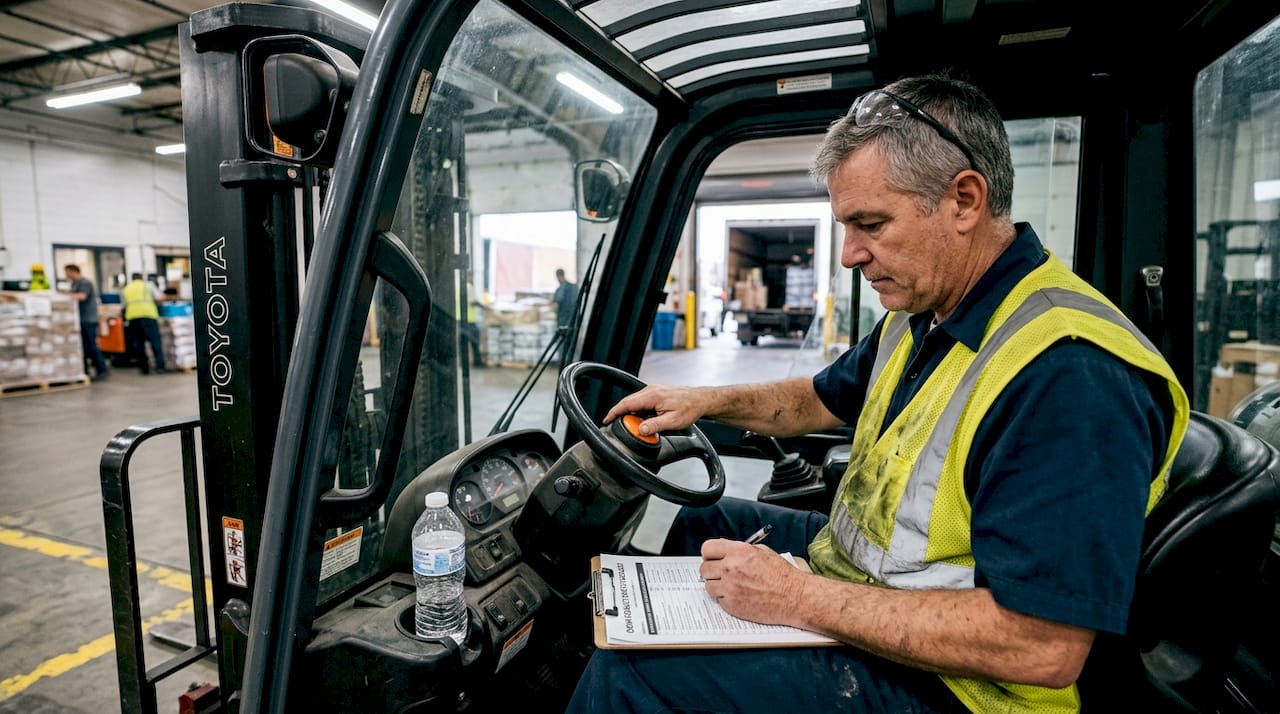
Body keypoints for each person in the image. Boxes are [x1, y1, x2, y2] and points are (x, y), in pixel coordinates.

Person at [565, 74, 1190, 713]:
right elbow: (816, 399)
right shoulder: (926, 312)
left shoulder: (1067, 375)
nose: (848, 255)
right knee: (704, 526)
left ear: (965, 201)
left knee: (632, 675)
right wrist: (701, 402)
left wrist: (794, 598)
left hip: (963, 689)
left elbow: (1039, 648)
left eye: (870, 223)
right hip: (874, 583)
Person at [62, 264, 110, 380]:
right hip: (79, 320)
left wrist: (65, 295)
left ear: (73, 271)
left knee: (91, 345)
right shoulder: (74, 284)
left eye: (67, 272)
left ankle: (102, 369)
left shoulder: (85, 283)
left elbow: (82, 296)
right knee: (82, 347)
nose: (66, 275)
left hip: (88, 319)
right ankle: (84, 371)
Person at [122, 272, 167, 375]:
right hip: (148, 317)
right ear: (142, 278)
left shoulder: (127, 289)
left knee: (139, 345)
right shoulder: (148, 285)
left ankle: (144, 369)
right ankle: (160, 367)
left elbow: (123, 305)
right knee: (155, 343)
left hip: (133, 319)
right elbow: (160, 298)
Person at [552, 268, 579, 365]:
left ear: (558, 276)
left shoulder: (561, 288)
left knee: (562, 342)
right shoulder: (574, 287)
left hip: (563, 319)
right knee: (572, 341)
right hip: (573, 319)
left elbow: (558, 299)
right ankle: (572, 362)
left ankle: (562, 363)